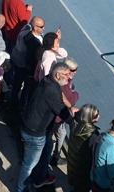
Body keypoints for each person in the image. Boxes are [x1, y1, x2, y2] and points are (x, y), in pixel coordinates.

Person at [16, 62, 76, 192]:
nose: (69, 77)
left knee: (47, 147)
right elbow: (62, 112)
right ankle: (21, 188)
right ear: (58, 75)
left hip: (31, 126)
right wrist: (73, 119)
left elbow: (60, 98)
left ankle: (39, 177)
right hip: (35, 132)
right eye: (66, 75)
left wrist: (69, 106)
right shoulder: (52, 91)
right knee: (29, 164)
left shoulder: (48, 80)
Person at [66, 103, 100, 192]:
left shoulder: (74, 123)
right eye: (96, 115)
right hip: (83, 167)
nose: (99, 116)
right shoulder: (93, 135)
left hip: (72, 159)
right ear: (90, 118)